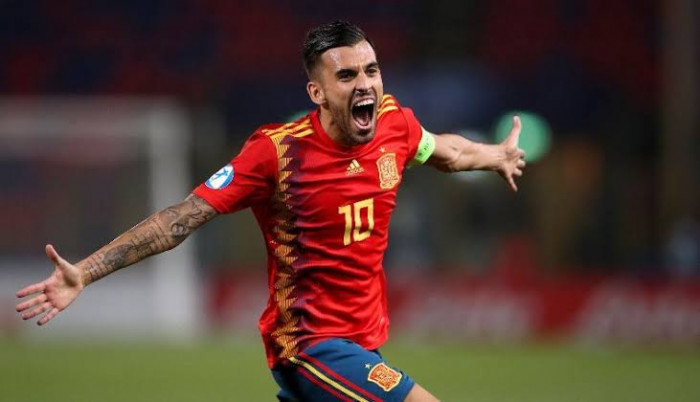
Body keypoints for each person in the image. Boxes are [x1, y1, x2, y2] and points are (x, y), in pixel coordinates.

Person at [15, 21, 525, 402]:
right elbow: (180, 219)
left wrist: (495, 156)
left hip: (363, 343)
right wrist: (85, 271)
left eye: (371, 70)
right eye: (347, 75)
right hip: (310, 346)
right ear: (317, 92)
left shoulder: (394, 123)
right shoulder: (277, 153)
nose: (365, 84)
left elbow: (447, 152)